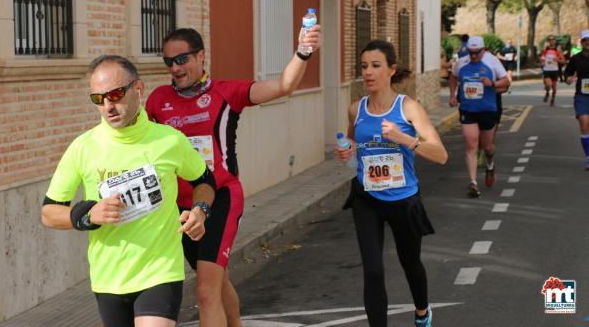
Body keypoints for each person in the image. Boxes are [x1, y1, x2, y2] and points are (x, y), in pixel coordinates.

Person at [146, 25, 321, 326]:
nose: (175, 68)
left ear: (201, 56)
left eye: (182, 59)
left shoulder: (226, 93)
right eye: (169, 62)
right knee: (217, 279)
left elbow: (283, 85)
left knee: (204, 291)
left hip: (221, 199)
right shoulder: (158, 100)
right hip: (180, 209)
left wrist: (303, 51)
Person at [41, 55, 216, 327]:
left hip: (160, 270)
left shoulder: (169, 140)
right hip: (109, 276)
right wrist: (87, 215)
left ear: (138, 89)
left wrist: (200, 210)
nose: (108, 106)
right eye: (98, 99)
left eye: (115, 94)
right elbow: (49, 213)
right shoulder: (83, 147)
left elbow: (204, 181)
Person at [335, 39, 448, 327]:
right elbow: (352, 137)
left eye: (375, 66)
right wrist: (347, 147)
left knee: (410, 264)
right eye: (364, 66)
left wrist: (406, 139)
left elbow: (441, 154)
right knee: (372, 271)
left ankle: (422, 311)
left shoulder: (408, 108)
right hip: (367, 198)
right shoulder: (356, 109)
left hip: (403, 200)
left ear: (391, 70)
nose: (368, 73)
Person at [449, 36, 510, 197]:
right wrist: (453, 95)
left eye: (477, 53)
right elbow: (453, 76)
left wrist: (493, 83)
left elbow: (506, 82)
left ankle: (490, 164)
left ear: (483, 50)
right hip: (468, 109)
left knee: (488, 147)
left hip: (487, 109)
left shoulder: (492, 62)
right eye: (471, 53)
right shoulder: (461, 62)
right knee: (471, 144)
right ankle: (473, 182)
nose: (473, 56)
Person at [565, 30, 589, 170]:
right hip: (582, 95)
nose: (587, 42)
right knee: (584, 122)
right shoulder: (576, 58)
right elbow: (567, 73)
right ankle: (588, 157)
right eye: (585, 40)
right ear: (581, 42)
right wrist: (569, 79)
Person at [540, 35, 565, 106]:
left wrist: (558, 60)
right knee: (549, 84)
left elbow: (563, 61)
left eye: (553, 39)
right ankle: (547, 93)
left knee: (554, 88)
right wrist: (542, 60)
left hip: (554, 70)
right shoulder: (545, 49)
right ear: (548, 41)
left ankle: (552, 99)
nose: (552, 41)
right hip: (547, 70)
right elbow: (541, 58)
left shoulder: (557, 50)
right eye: (550, 39)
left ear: (555, 41)